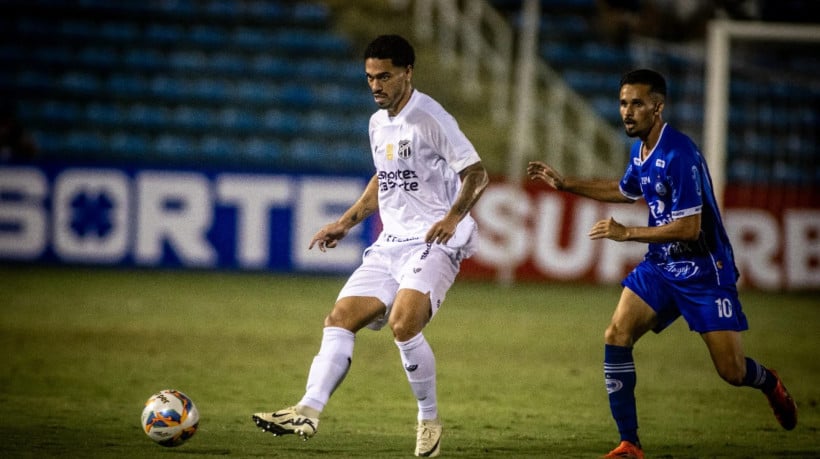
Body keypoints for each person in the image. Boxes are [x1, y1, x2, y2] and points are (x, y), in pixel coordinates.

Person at [527, 69, 796, 459]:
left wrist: (628, 234)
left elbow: (689, 228)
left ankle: (769, 383)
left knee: (732, 372)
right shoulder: (641, 151)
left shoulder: (678, 153)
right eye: (622, 103)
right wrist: (566, 183)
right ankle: (629, 444)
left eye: (636, 103)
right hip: (662, 267)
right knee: (616, 334)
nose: (627, 112)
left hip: (705, 272)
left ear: (657, 106)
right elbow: (623, 190)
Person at [252, 34, 488, 458]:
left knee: (403, 324)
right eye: (369, 77)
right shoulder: (377, 123)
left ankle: (428, 421)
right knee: (339, 318)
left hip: (433, 240)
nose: (376, 85)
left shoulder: (432, 118)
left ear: (407, 73)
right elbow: (385, 177)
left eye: (385, 76)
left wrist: (452, 217)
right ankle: (308, 409)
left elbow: (476, 173)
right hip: (390, 243)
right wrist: (345, 222)